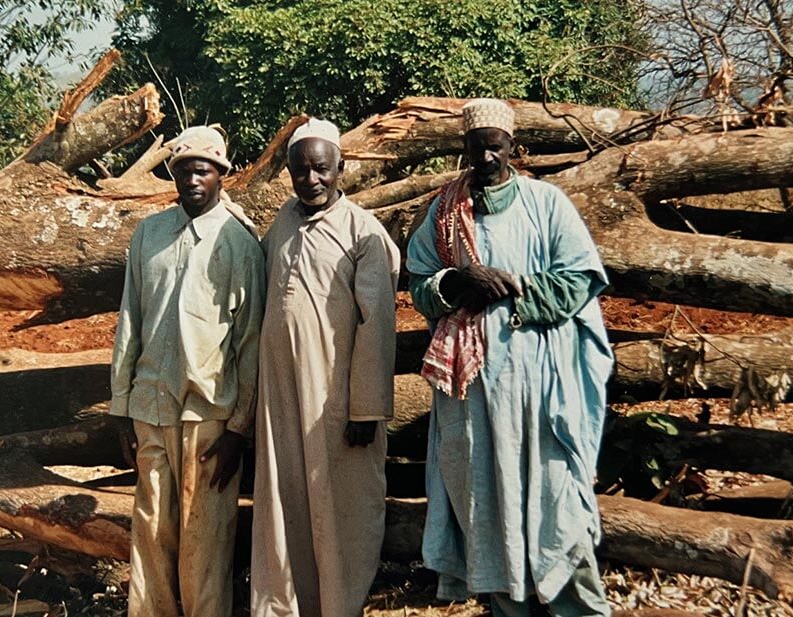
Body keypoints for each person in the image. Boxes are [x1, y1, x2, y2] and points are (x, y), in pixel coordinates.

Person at [407, 98, 614, 617]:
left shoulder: (546, 204)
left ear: (513, 148)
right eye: (475, 151)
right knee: (485, 509)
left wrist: (510, 290)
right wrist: (458, 280)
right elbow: (420, 285)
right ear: (465, 150)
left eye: (495, 149)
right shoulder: (445, 211)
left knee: (556, 508)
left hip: (537, 388)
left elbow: (579, 280)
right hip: (471, 396)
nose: (484, 161)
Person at [109, 126, 265, 617]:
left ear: (222, 174)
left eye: (203, 170)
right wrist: (120, 405)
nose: (193, 179)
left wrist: (240, 428)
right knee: (152, 531)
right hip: (150, 407)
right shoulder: (148, 235)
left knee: (205, 541)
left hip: (210, 416)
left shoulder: (239, 242)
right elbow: (129, 321)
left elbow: (251, 342)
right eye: (183, 171)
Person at [250, 118, 400, 617]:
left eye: (320, 169)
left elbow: (376, 325)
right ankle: (283, 606)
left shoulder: (364, 233)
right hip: (282, 395)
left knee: (341, 507)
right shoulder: (283, 223)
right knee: (284, 499)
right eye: (299, 171)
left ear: (341, 168)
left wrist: (367, 409)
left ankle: (339, 606)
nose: (310, 179)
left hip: (337, 403)